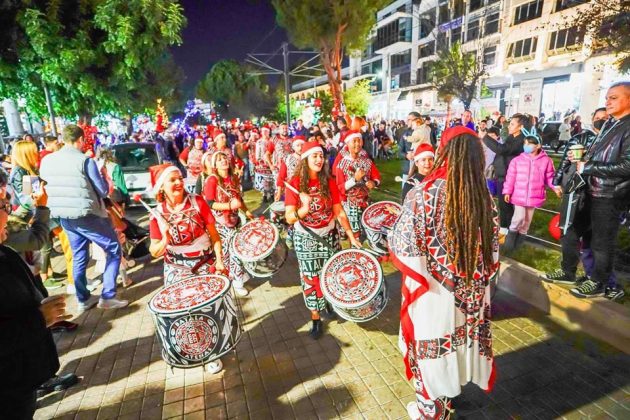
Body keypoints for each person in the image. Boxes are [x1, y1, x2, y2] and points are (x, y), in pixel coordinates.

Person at [388, 126, 499, 420]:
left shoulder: (423, 194)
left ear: (445, 152)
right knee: (459, 345)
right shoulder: (484, 197)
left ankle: (430, 412)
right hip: (470, 293)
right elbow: (492, 252)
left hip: (434, 292)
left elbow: (404, 244)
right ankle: (447, 400)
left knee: (432, 349)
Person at [547, 82, 630, 301]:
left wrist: (588, 166)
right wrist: (582, 158)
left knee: (601, 242)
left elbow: (627, 165)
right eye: (607, 97)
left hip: (610, 194)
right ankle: (568, 271)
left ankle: (600, 282)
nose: (607, 102)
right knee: (571, 230)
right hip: (589, 189)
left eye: (614, 97)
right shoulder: (611, 124)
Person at [39, 125, 128, 312]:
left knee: (79, 256)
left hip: (63, 215)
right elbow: (103, 190)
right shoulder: (85, 161)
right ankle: (108, 296)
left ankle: (83, 299)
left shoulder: (47, 161)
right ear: (80, 140)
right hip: (87, 214)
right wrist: (105, 177)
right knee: (113, 249)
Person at [285, 141, 362, 340]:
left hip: (329, 235)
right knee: (311, 278)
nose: (319, 160)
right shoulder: (295, 183)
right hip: (306, 238)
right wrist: (304, 208)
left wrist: (351, 236)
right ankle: (316, 318)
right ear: (305, 159)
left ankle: (329, 302)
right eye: (315, 156)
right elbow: (289, 218)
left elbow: (339, 212)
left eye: (321, 156)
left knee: (331, 273)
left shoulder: (329, 181)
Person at [203, 151, 253, 297]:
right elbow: (209, 204)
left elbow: (239, 200)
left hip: (234, 221)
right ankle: (228, 281)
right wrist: (229, 206)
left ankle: (237, 281)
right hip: (220, 224)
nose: (223, 161)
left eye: (224, 158)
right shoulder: (212, 180)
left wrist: (247, 212)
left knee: (236, 252)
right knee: (226, 254)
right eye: (219, 160)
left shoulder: (234, 178)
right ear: (215, 165)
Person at [502, 131, 561, 251]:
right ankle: (509, 244)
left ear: (538, 145)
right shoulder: (517, 160)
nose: (526, 146)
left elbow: (550, 177)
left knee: (526, 222)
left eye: (529, 143)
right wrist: (507, 191)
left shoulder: (546, 161)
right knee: (518, 218)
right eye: (525, 143)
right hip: (518, 195)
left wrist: (555, 187)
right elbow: (510, 177)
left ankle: (518, 247)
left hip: (534, 196)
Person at [482, 114, 530, 239]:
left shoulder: (521, 140)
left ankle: (508, 232)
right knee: (504, 205)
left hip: (509, 177)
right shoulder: (512, 137)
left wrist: (485, 137)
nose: (509, 126)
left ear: (521, 127)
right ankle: (506, 230)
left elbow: (502, 149)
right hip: (502, 175)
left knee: (506, 205)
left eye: (512, 124)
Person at [333, 131, 381, 239]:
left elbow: (376, 176)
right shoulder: (341, 164)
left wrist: (374, 182)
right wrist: (354, 179)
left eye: (359, 141)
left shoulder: (367, 162)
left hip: (365, 200)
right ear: (347, 144)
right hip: (349, 203)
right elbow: (340, 187)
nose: (357, 144)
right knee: (356, 234)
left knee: (370, 229)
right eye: (354, 141)